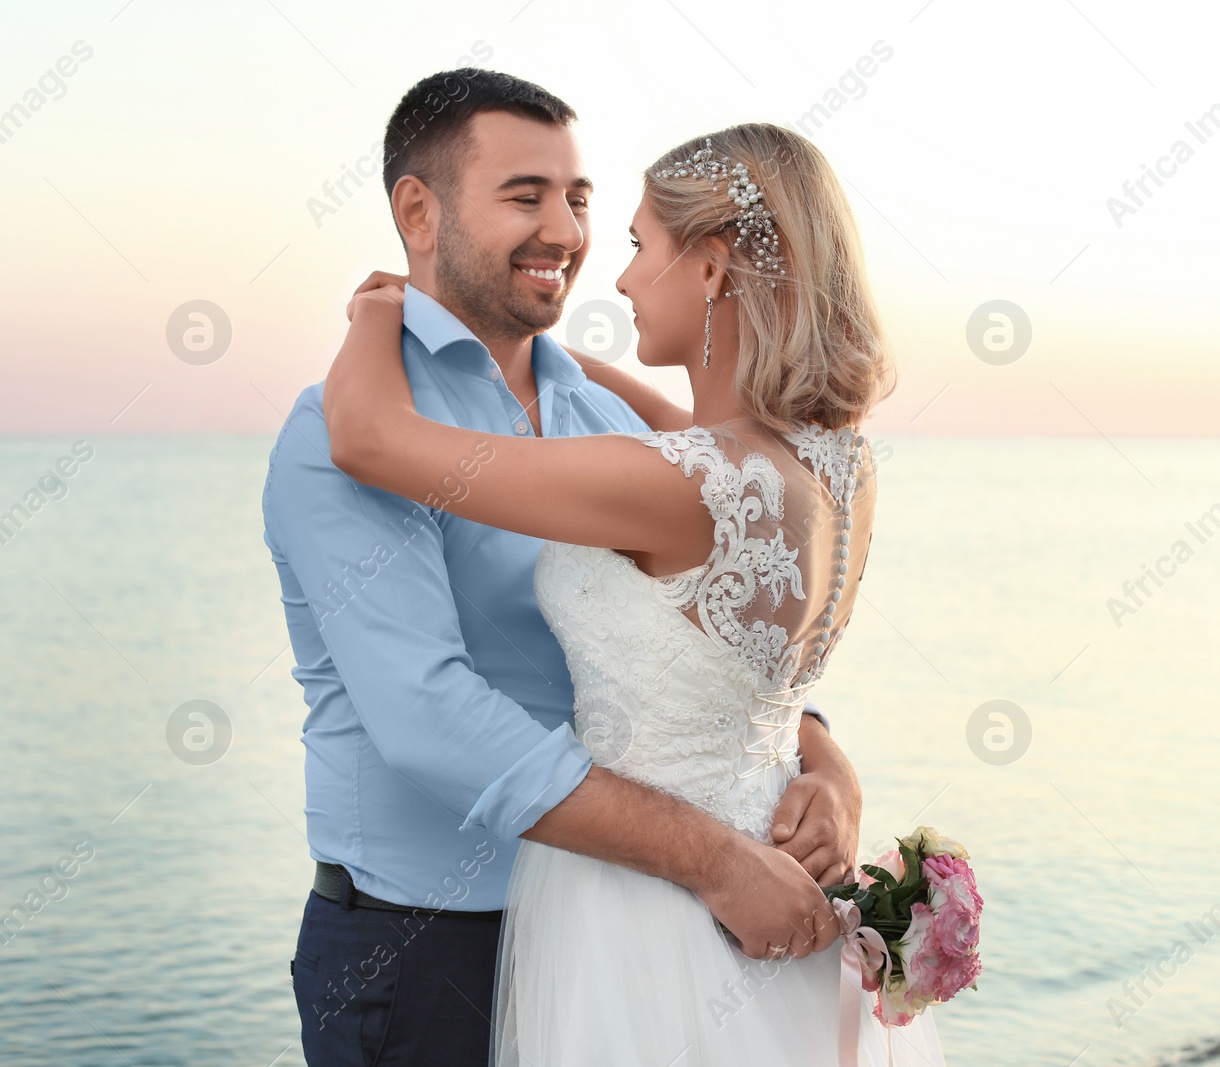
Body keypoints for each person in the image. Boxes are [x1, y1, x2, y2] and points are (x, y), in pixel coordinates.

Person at [263, 69, 866, 1066]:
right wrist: (715, 857)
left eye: (581, 200)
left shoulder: (609, 415)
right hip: (432, 944)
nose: (568, 231)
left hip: (638, 927)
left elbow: (703, 648)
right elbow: (428, 715)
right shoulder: (331, 432)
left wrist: (824, 760)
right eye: (524, 194)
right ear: (418, 210)